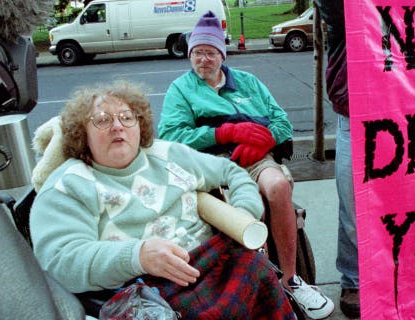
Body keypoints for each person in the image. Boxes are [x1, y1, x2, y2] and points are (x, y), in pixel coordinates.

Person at [29, 80, 295, 319]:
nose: (117, 126)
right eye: (102, 120)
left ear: (139, 124)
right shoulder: (68, 184)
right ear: (82, 133)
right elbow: (60, 259)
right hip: (145, 290)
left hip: (214, 263)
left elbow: (232, 172)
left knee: (255, 265)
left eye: (127, 117)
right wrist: (138, 256)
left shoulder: (167, 154)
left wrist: (243, 213)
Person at [158, 10, 334, 320]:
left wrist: (263, 141)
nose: (203, 60)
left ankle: (290, 279)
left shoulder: (248, 82)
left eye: (210, 53)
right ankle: (261, 281)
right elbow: (171, 137)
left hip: (253, 158)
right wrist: (222, 132)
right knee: (247, 205)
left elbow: (280, 120)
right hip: (211, 165)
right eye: (197, 53)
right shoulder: (180, 90)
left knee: (278, 185)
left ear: (222, 55)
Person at [317, 0, 360, 318]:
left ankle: (398, 273)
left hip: (402, 110)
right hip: (354, 115)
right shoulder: (346, 10)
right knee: (353, 208)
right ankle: (354, 281)